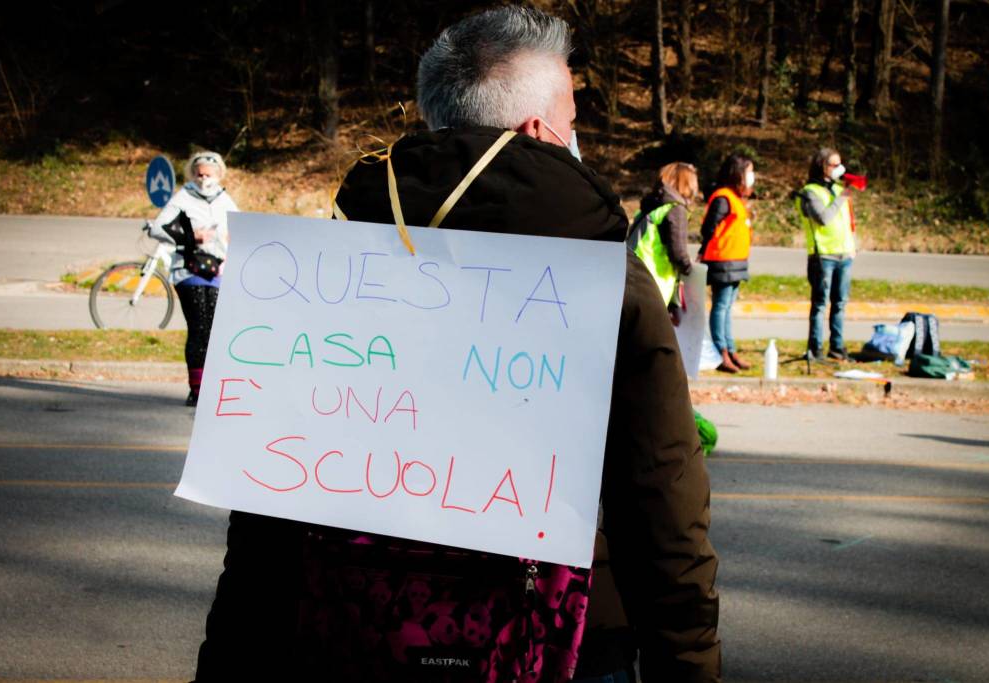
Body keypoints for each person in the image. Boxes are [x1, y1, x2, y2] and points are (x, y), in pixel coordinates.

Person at [193, 7, 720, 682]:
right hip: (569, 641)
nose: (576, 135)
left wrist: (228, 662)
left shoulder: (319, 269)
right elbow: (664, 509)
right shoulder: (609, 281)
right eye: (575, 120)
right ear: (538, 131)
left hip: (348, 633)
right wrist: (690, 666)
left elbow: (267, 524)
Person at [146, 151, 238, 406]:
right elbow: (157, 228)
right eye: (199, 173)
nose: (203, 178)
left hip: (218, 270)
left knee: (215, 330)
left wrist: (231, 256)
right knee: (199, 326)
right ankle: (197, 389)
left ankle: (211, 386)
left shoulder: (224, 200)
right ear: (192, 173)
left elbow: (239, 232)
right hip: (189, 270)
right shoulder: (184, 196)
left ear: (219, 174)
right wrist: (191, 236)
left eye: (208, 174)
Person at [795, 147, 856, 361]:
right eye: (834, 164)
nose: (840, 168)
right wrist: (842, 197)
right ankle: (815, 348)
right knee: (820, 304)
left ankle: (836, 347)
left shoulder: (838, 189)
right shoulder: (810, 192)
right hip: (823, 256)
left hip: (844, 255)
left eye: (840, 164)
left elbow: (846, 222)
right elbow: (824, 218)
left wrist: (852, 247)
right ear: (823, 166)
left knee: (840, 303)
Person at [699, 153, 755, 374]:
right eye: (749, 172)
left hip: (737, 261)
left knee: (728, 307)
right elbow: (708, 229)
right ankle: (720, 351)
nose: (752, 177)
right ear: (738, 173)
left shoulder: (736, 198)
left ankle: (730, 349)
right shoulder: (723, 197)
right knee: (721, 307)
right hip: (722, 261)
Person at [632, 162, 699, 326]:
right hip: (653, 285)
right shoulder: (676, 209)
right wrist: (690, 270)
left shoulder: (649, 208)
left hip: (633, 279)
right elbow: (678, 253)